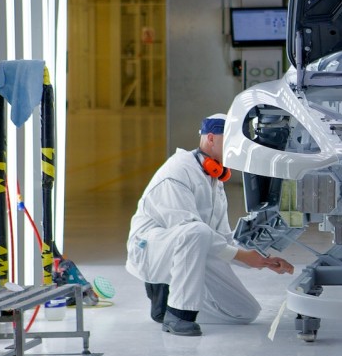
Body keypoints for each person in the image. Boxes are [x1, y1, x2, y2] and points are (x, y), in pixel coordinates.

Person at [126, 113, 294, 336]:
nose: (237, 148)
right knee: (196, 230)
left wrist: (261, 260)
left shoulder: (214, 177)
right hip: (153, 252)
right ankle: (178, 314)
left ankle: (168, 304)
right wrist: (241, 256)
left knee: (245, 312)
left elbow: (222, 238)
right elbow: (188, 229)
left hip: (192, 248)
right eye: (232, 141)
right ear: (211, 138)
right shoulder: (177, 171)